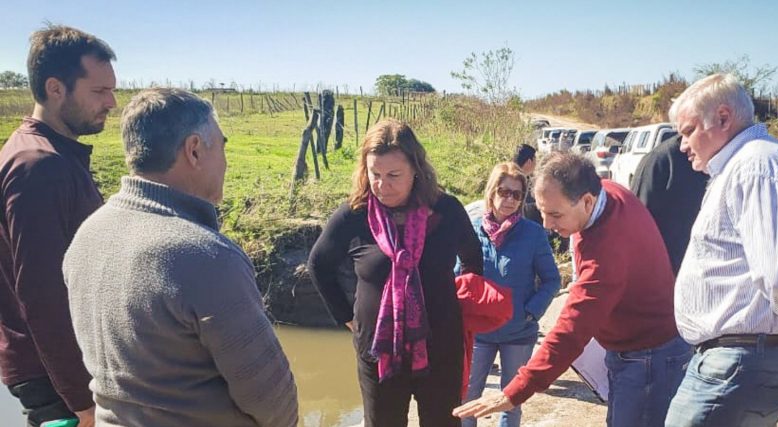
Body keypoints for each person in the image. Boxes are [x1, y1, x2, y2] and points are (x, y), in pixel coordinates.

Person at [62, 88, 298, 426]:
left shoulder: (88, 234)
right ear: (195, 151)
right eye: (223, 146)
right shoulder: (205, 257)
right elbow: (271, 399)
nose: (226, 163)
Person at [454, 152, 687, 427]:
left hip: (647, 357)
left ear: (587, 201)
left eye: (555, 214)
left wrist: (513, 392)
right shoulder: (605, 192)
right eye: (541, 212)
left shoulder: (606, 253)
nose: (547, 225)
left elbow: (570, 332)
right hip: (634, 350)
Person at [666, 73, 778, 426]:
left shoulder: (755, 166)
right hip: (747, 356)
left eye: (688, 131)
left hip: (743, 358)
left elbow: (777, 273)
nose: (682, 145)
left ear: (723, 118)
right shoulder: (755, 163)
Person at [308, 118, 484, 427]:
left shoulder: (447, 210)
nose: (381, 185)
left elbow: (472, 259)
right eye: (374, 174)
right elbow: (319, 265)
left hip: (441, 348)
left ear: (416, 169)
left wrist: (463, 312)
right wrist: (348, 318)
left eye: (393, 175)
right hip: (378, 352)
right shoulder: (354, 215)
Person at [0, 25, 116, 427]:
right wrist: (82, 401)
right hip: (57, 379)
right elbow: (41, 292)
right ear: (55, 88)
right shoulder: (39, 166)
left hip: (60, 369)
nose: (112, 102)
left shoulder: (50, 154)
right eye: (99, 92)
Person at [459, 162, 560, 427]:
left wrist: (530, 312)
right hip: (478, 334)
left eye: (516, 194)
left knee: (511, 402)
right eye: (504, 191)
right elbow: (457, 279)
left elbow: (552, 280)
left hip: (518, 333)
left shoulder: (534, 234)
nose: (509, 199)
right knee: (468, 399)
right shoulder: (471, 230)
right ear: (491, 191)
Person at [630, 134, 707, 275]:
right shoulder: (661, 162)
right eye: (685, 131)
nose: (684, 145)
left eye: (690, 131)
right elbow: (636, 231)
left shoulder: (731, 164)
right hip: (668, 279)